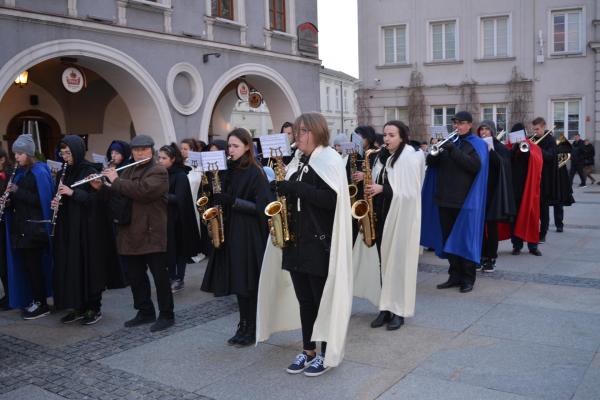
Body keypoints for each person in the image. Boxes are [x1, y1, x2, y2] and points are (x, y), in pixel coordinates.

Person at [257, 112, 353, 377]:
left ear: (315, 132)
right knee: (305, 301)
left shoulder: (328, 159)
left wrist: (293, 188)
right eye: (295, 132)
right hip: (296, 242)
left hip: (319, 243)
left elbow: (331, 200)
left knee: (322, 300)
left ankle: (325, 352)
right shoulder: (298, 161)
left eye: (301, 131)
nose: (296, 137)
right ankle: (308, 349)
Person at [95, 134, 175, 333]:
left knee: (159, 276)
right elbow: (118, 194)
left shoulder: (158, 170)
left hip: (151, 232)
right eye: (136, 150)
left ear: (151, 150)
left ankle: (167, 314)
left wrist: (115, 181)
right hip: (129, 231)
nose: (140, 153)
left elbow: (143, 191)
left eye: (144, 149)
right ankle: (145, 311)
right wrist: (101, 187)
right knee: (136, 276)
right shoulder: (128, 169)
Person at [201, 128, 271, 347]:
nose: (230, 150)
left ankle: (252, 327)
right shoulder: (227, 170)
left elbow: (263, 207)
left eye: (235, 146)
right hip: (230, 230)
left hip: (247, 233)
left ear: (247, 147)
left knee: (248, 283)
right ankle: (242, 324)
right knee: (238, 283)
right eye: (229, 146)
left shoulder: (255, 171)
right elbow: (218, 197)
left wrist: (233, 202)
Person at [353, 120, 424, 330]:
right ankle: (385, 308)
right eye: (384, 135)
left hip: (401, 219)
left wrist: (382, 189)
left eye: (392, 135)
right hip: (381, 217)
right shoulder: (382, 157)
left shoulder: (410, 157)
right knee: (383, 265)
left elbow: (411, 193)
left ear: (402, 137)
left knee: (399, 265)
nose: (386, 139)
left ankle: (399, 311)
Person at [53, 135, 120, 326]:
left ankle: (93, 307)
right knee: (72, 266)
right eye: (62, 152)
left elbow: (97, 201)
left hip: (87, 229)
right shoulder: (63, 172)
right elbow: (62, 196)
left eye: (68, 152)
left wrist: (73, 193)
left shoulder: (90, 171)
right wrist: (57, 201)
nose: (64, 156)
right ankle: (78, 306)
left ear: (77, 151)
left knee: (89, 267)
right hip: (68, 227)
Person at [421, 111, 489, 293]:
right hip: (444, 199)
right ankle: (454, 275)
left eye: (460, 123)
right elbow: (431, 163)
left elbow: (474, 166)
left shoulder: (476, 144)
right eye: (455, 123)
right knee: (448, 240)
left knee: (464, 241)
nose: (457, 126)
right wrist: (435, 151)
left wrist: (453, 150)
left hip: (465, 201)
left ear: (469, 125)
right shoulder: (448, 143)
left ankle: (468, 278)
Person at [3, 134, 54, 319]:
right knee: (27, 267)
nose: (16, 157)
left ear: (29, 154)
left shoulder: (39, 171)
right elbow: (20, 201)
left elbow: (42, 202)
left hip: (34, 229)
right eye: (15, 153)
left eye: (20, 153)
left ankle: (42, 302)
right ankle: (33, 299)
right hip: (21, 229)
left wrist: (17, 191)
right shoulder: (20, 173)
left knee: (35, 267)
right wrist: (8, 202)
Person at [157, 144, 201, 293]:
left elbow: (179, 198)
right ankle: (170, 276)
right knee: (168, 250)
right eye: (159, 157)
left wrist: (159, 195)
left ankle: (178, 278)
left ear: (173, 159)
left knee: (179, 251)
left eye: (164, 158)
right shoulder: (161, 174)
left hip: (178, 220)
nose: (160, 161)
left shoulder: (181, 175)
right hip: (165, 218)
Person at [475, 121, 515, 272]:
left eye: (486, 129)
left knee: (491, 226)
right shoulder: (477, 145)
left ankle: (491, 257)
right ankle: (480, 256)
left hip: (494, 192)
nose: (483, 132)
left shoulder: (500, 147)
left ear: (491, 131)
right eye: (481, 129)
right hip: (479, 191)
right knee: (478, 226)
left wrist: (491, 151)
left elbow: (503, 166)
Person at [505, 123, 544, 256]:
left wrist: (525, 150)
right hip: (513, 189)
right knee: (514, 219)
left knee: (532, 216)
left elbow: (537, 160)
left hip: (528, 189)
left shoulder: (531, 146)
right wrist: (514, 149)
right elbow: (505, 162)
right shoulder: (509, 147)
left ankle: (533, 246)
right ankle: (517, 245)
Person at [531, 117, 558, 244]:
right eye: (534, 129)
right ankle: (533, 231)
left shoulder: (550, 140)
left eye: (537, 129)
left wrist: (536, 148)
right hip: (533, 178)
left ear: (543, 127)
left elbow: (550, 157)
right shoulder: (533, 139)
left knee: (543, 208)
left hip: (545, 179)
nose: (535, 132)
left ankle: (543, 233)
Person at [553, 136, 575, 232]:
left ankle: (559, 224)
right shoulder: (547, 147)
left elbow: (570, 151)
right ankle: (544, 226)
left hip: (560, 180)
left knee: (558, 203)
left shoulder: (563, 151)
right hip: (549, 178)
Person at [0, 149, 13, 310]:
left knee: (5, 261)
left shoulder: (9, 175)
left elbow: (11, 197)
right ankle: (7, 295)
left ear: (2, 159)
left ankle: (11, 296)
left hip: (7, 224)